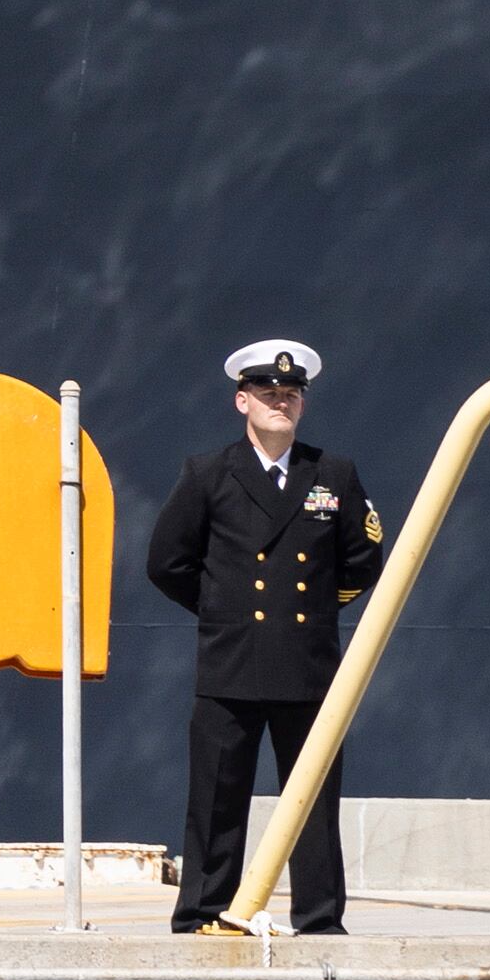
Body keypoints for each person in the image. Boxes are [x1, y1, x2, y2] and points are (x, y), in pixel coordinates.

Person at [147, 338, 385, 937]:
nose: (281, 401)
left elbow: (363, 561)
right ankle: (202, 913)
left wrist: (301, 613)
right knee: (215, 801)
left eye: (291, 394)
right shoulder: (208, 474)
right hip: (231, 664)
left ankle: (320, 918)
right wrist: (224, 610)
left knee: (311, 802)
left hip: (307, 664)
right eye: (268, 393)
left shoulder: (332, 473)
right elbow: (167, 562)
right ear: (241, 401)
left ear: (302, 404)